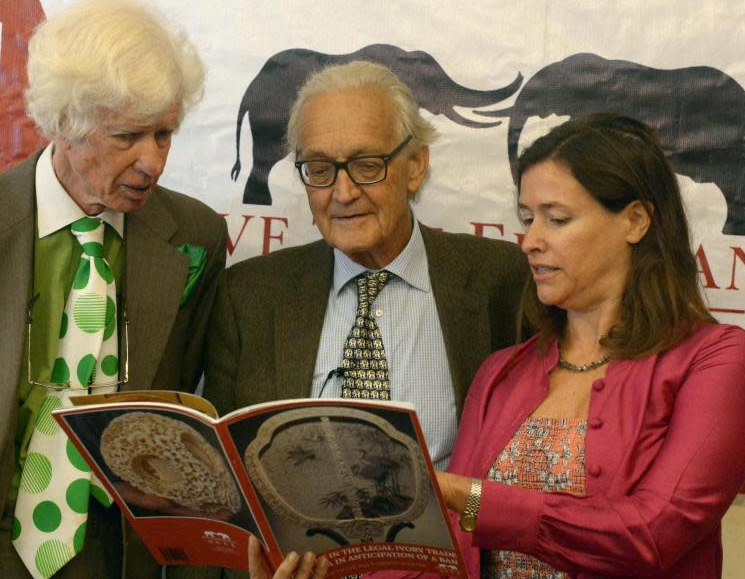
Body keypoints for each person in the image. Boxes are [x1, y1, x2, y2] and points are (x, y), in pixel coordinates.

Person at [0, 0, 227, 579]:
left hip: (111, 549)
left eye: (165, 134)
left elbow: (180, 390)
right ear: (67, 124)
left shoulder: (194, 236)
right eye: (128, 137)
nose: (153, 162)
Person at [195, 60, 529, 579]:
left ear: (415, 165)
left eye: (367, 165)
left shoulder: (498, 281)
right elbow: (222, 492)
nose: (343, 193)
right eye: (320, 169)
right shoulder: (250, 295)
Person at [429, 114, 745, 578]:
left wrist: (468, 497)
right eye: (527, 219)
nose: (529, 241)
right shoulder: (500, 371)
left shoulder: (716, 358)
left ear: (635, 220)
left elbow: (652, 535)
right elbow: (447, 555)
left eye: (557, 218)